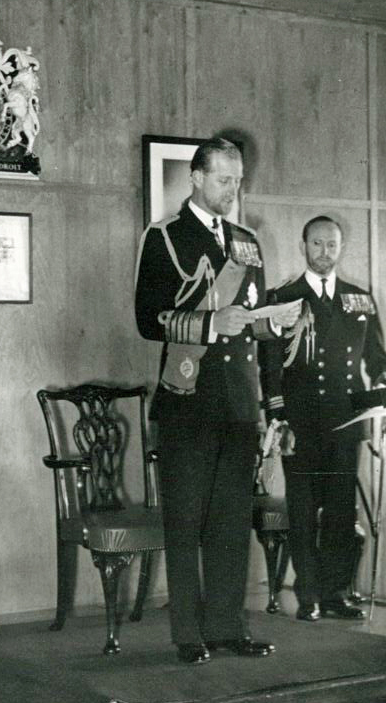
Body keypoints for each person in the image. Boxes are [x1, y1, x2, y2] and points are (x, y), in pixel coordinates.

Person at [134, 137, 299, 665]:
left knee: (231, 524)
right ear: (197, 178)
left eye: (238, 180)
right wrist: (210, 323)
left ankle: (227, 628)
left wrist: (274, 335)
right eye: (225, 180)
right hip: (188, 402)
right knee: (186, 523)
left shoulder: (247, 242)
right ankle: (188, 633)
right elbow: (147, 318)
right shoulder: (165, 236)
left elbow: (256, 329)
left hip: (238, 403)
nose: (233, 190)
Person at [259, 216, 386, 622]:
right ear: (303, 246)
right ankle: (308, 595)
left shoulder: (359, 300)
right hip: (300, 424)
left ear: (341, 248)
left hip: (346, 423)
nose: (324, 252)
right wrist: (278, 417)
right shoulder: (282, 298)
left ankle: (334, 593)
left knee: (340, 513)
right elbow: (270, 367)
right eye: (317, 244)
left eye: (331, 245)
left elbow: (377, 361)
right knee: (302, 511)